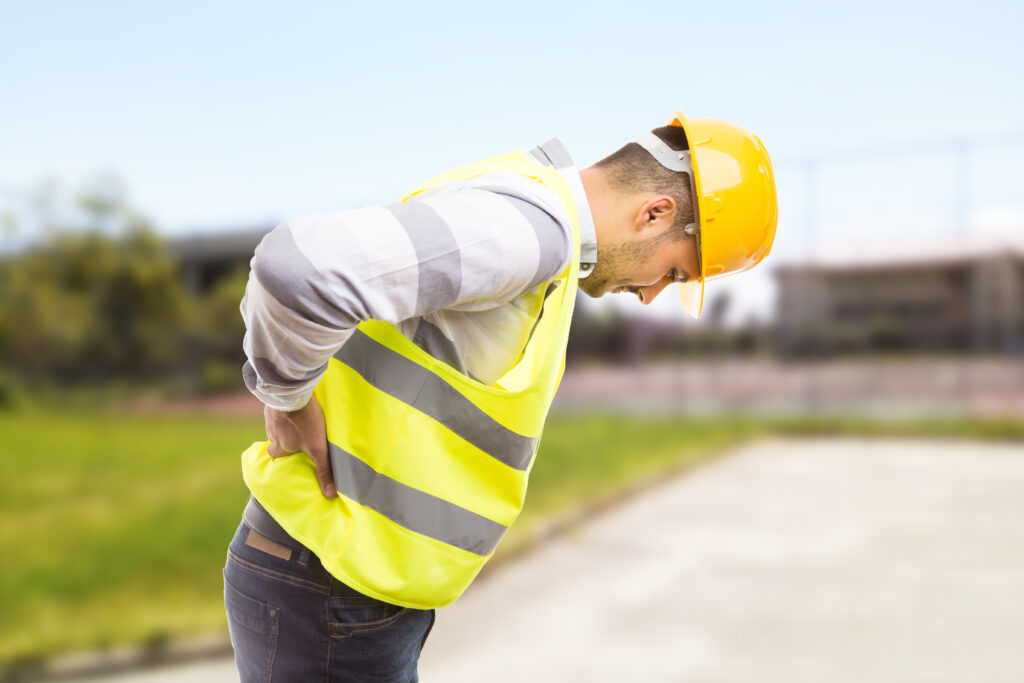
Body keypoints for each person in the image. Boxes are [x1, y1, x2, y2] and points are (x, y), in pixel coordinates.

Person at [223, 110, 777, 682]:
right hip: (328, 586)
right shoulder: (531, 231)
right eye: (675, 274)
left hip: (350, 588)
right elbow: (296, 268)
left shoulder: (536, 224)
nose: (652, 295)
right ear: (655, 213)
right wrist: (285, 396)